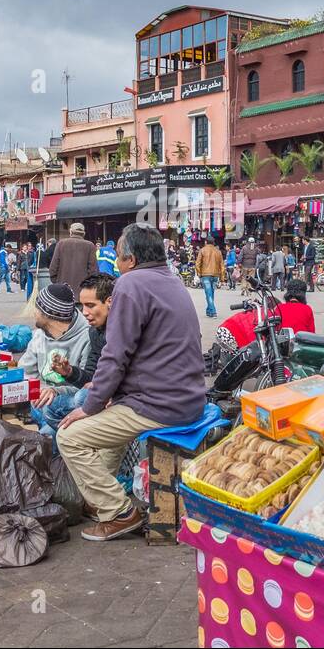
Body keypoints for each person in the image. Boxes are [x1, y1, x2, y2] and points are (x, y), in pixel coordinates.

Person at [57, 224, 205, 541]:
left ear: (131, 260)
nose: (116, 264)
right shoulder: (172, 280)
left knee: (69, 436)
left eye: (119, 257)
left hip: (159, 404)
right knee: (110, 421)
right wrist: (107, 397)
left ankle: (119, 513)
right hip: (186, 398)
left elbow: (116, 354)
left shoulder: (130, 284)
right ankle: (104, 502)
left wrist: (91, 405)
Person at [37, 273, 114, 433]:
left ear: (109, 302)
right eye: (82, 306)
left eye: (90, 305)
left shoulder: (123, 330)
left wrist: (106, 389)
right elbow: (91, 377)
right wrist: (70, 372)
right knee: (45, 414)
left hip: (120, 400)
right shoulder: (95, 332)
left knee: (77, 399)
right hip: (98, 397)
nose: (84, 312)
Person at [22, 283, 92, 433]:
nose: (34, 312)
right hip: (39, 402)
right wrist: (40, 390)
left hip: (70, 406)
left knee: (47, 431)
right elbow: (25, 371)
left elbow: (87, 388)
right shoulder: (39, 335)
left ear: (48, 314)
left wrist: (56, 391)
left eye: (37, 308)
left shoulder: (87, 337)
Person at [214, 278, 316, 354]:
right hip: (298, 347)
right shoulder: (307, 309)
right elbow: (311, 334)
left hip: (281, 346)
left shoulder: (279, 308)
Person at [50, 222, 98, 300]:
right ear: (83, 233)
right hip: (81, 293)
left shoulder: (61, 243)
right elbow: (93, 271)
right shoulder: (90, 246)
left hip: (62, 293)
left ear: (71, 232)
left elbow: (53, 269)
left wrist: (58, 283)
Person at [195, 238, 225, 318]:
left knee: (208, 294)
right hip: (215, 275)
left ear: (206, 242)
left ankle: (213, 312)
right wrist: (222, 277)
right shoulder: (218, 252)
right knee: (211, 293)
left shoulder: (202, 250)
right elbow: (222, 266)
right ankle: (209, 311)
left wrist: (199, 273)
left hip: (205, 275)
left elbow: (197, 263)